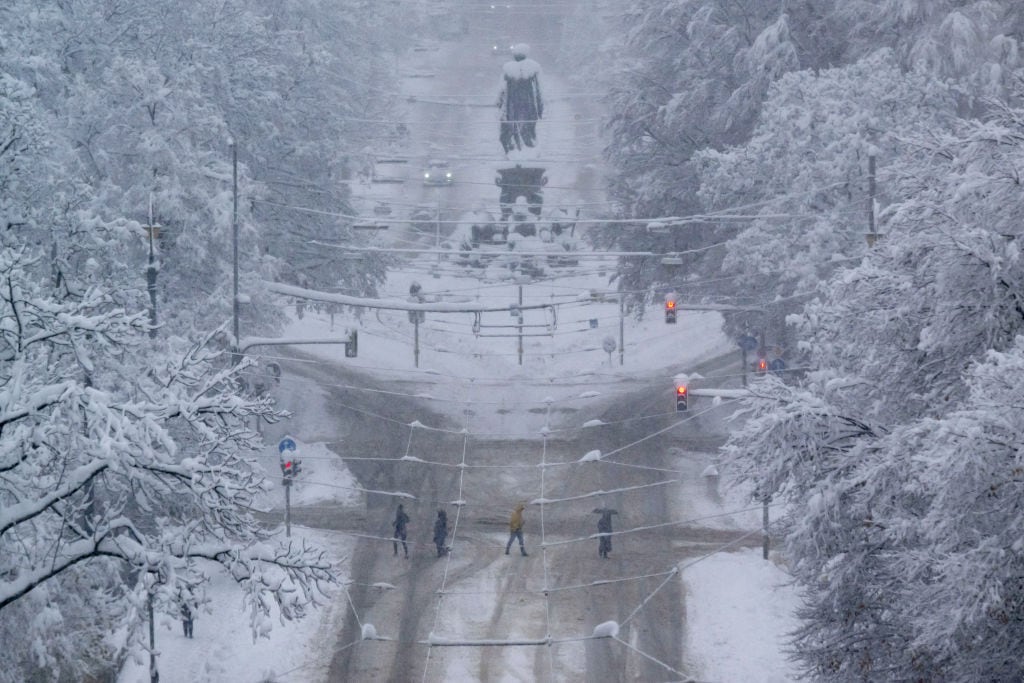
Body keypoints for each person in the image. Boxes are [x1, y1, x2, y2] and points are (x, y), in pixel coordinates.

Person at [497, 44, 543, 155]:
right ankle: (526, 150)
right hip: (528, 104)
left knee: (511, 129)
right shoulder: (534, 67)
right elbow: (539, 89)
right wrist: (540, 107)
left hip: (512, 104)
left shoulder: (507, 68)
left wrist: (500, 104)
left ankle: (516, 150)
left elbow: (502, 89)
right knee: (527, 129)